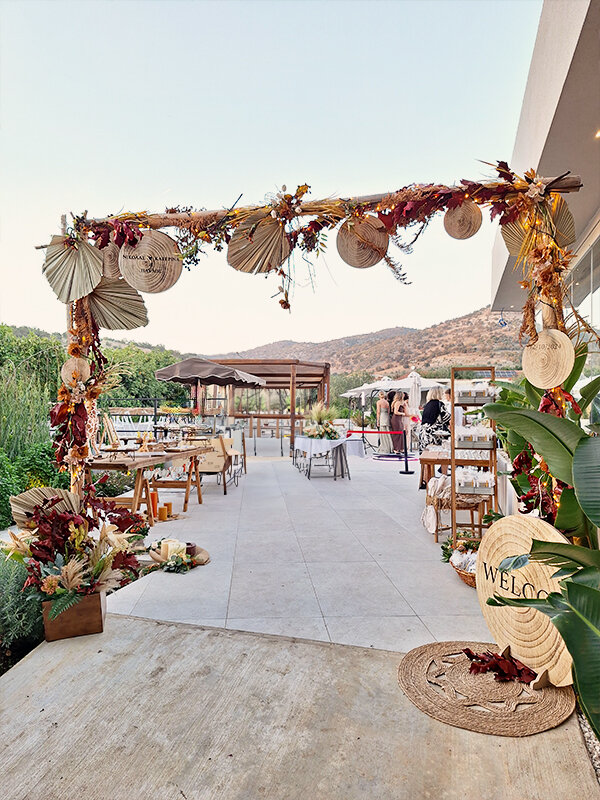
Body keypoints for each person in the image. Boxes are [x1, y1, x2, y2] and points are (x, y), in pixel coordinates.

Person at [418, 386, 451, 453]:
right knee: (439, 455)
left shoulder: (427, 405)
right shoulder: (440, 404)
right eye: (442, 393)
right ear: (438, 393)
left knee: (426, 456)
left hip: (424, 433)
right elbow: (447, 418)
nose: (443, 394)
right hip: (434, 434)